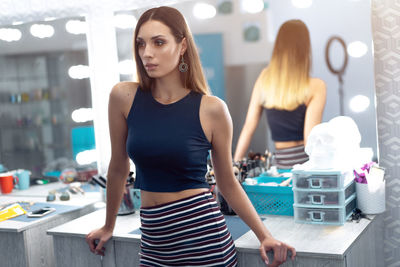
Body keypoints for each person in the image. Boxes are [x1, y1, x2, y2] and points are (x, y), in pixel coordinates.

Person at [86, 6, 296, 267]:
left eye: (159, 42)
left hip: (205, 241)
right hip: (154, 244)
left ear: (182, 45)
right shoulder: (123, 97)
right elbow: (118, 167)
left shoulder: (212, 109)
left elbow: (227, 183)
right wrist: (109, 225)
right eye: (141, 44)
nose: (146, 53)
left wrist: (265, 236)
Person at [234, 20, 326, 169]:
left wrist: (234, 166)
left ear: (278, 46)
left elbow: (248, 127)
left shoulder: (264, 78)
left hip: (279, 165)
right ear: (305, 48)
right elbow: (311, 140)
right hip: (306, 165)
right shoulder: (317, 86)